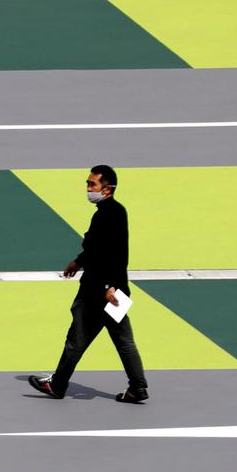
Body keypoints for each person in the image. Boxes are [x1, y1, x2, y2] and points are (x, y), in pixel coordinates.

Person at [28, 164, 149, 403]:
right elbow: (101, 250)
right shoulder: (116, 211)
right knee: (124, 340)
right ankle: (138, 387)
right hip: (115, 290)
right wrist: (78, 262)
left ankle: (58, 384)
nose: (88, 188)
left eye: (92, 184)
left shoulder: (106, 215)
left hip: (98, 292)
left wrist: (106, 287)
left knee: (77, 339)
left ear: (107, 189)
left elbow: (108, 254)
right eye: (88, 183)